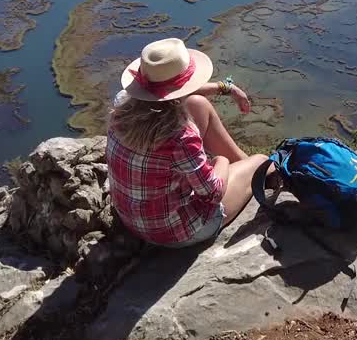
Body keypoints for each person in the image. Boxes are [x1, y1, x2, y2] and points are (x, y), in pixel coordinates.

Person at [106, 37, 268, 248]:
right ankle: (261, 174)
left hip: (132, 220)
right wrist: (221, 162)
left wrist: (225, 88)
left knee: (198, 104)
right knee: (260, 160)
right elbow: (213, 194)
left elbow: (172, 93)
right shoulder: (180, 137)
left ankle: (249, 172)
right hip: (175, 232)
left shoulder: (121, 104)